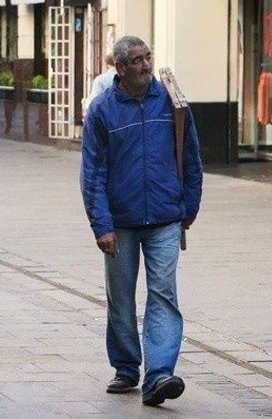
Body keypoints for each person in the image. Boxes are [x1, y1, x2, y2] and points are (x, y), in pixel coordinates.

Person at [80, 35, 203, 407]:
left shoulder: (171, 101)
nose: (146, 65)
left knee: (163, 293)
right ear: (119, 67)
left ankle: (160, 374)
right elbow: (92, 174)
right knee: (120, 298)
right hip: (121, 220)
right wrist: (101, 225)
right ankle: (126, 366)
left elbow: (192, 156)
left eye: (148, 57)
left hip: (166, 216)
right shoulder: (102, 111)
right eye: (137, 60)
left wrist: (189, 207)